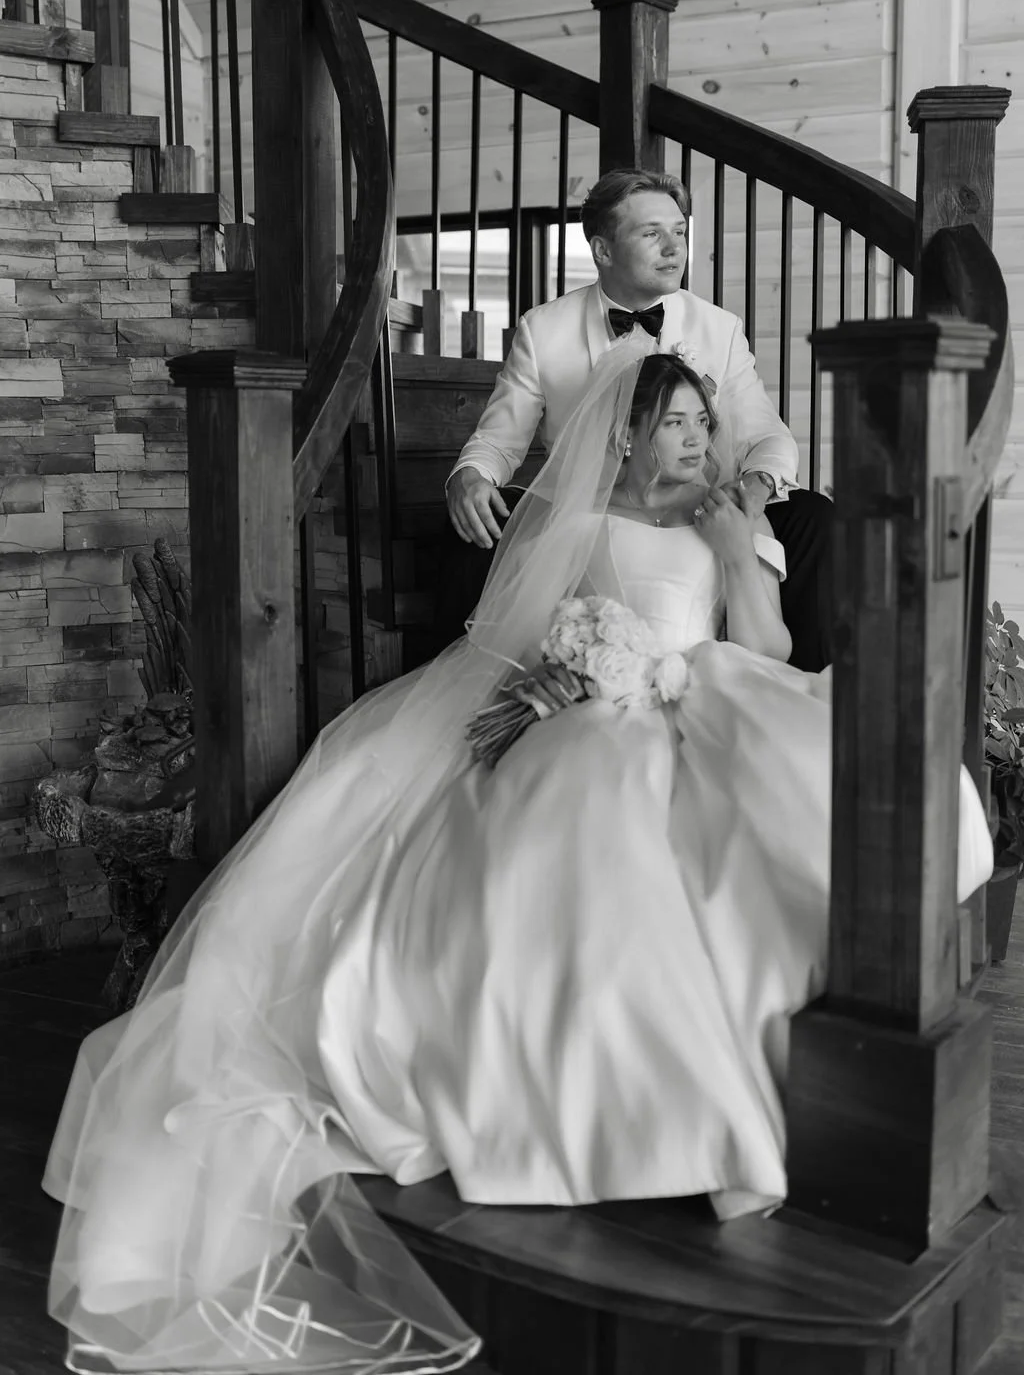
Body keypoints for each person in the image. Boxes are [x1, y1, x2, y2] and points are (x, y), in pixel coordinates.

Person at [42, 346, 993, 1374]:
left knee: (809, 786)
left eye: (701, 423)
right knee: (586, 829)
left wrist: (732, 551)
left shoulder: (733, 519)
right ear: (623, 432)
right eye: (674, 421)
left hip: (714, 692)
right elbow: (515, 642)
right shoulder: (573, 521)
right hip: (592, 708)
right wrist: (585, 675)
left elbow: (762, 651)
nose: (695, 440)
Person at [443, 167, 833, 671]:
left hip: (699, 505)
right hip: (588, 511)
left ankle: (805, 685)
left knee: (812, 517)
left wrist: (754, 491)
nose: (674, 248)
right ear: (602, 251)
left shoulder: (719, 327)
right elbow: (499, 439)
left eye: (679, 232)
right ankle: (474, 687)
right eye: (652, 234)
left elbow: (766, 436)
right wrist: (470, 476)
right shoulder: (544, 331)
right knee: (479, 526)